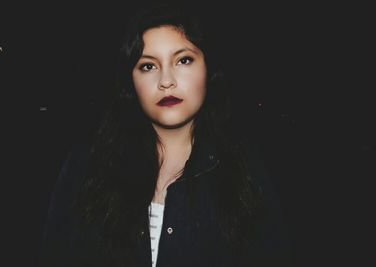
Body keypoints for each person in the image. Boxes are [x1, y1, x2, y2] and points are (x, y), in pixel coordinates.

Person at [38, 2, 294, 267]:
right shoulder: (87, 165)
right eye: (148, 66)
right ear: (131, 80)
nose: (166, 81)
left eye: (183, 60)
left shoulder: (244, 166)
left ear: (208, 69)